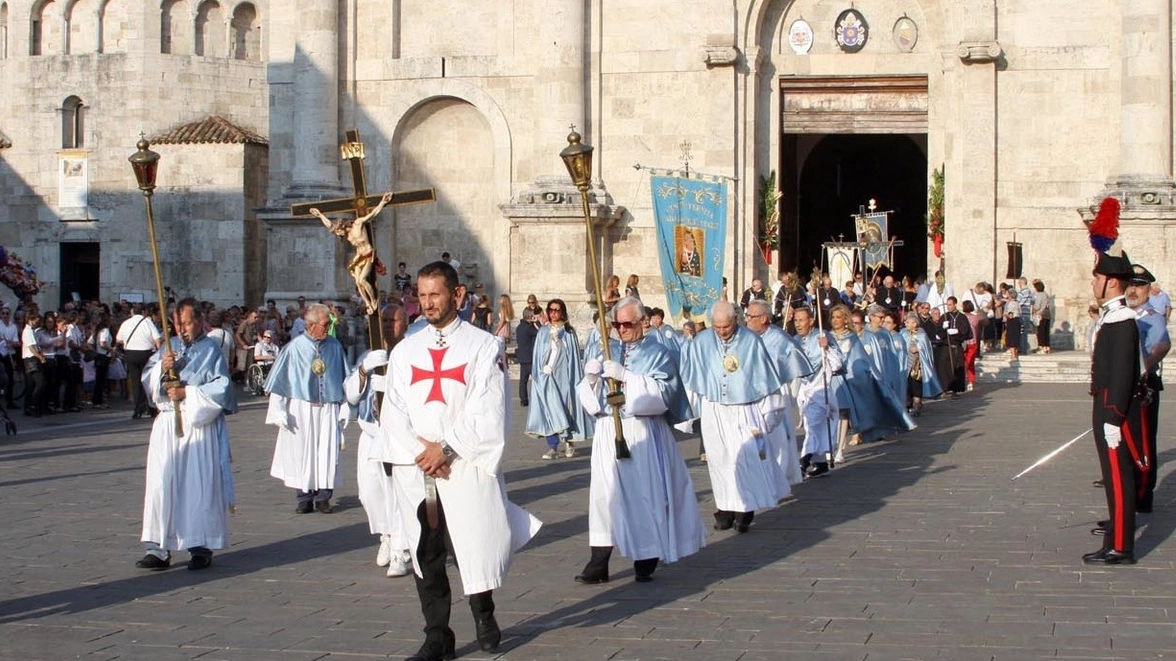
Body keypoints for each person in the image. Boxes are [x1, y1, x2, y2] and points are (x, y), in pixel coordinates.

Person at [380, 261, 541, 660]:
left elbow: (486, 408)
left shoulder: (482, 346)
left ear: (456, 295)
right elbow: (394, 409)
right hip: (416, 467)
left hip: (462, 464)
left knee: (471, 543)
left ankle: (483, 612)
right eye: (421, 295)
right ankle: (438, 634)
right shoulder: (406, 350)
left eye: (435, 294)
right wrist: (421, 451)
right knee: (425, 553)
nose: (428, 303)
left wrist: (446, 448)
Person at [574, 297, 705, 584]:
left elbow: (661, 396)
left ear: (642, 321)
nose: (622, 329)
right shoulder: (604, 349)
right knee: (603, 494)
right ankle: (599, 560)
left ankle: (646, 555)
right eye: (617, 324)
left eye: (628, 324)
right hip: (609, 429)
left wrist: (626, 377)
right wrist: (592, 380)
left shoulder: (657, 352)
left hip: (641, 429)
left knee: (641, 493)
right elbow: (589, 401)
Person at [135, 298, 236, 571]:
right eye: (177, 323)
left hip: (196, 428)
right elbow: (147, 383)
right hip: (168, 424)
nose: (181, 329)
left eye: (187, 322)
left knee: (196, 487)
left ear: (200, 321)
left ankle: (199, 545)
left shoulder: (211, 350)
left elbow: (222, 389)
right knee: (161, 484)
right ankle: (158, 547)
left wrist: (187, 393)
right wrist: (160, 368)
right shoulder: (168, 348)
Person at [681, 301, 788, 532]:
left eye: (726, 327)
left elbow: (764, 379)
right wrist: (688, 412)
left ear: (736, 321)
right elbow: (692, 378)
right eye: (717, 327)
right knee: (720, 461)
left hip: (744, 408)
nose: (721, 332)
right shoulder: (702, 342)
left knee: (746, 458)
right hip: (714, 407)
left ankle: (744, 508)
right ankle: (724, 509)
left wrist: (769, 412)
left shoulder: (750, 341)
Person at [1084, 228, 1144, 565]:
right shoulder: (1112, 317)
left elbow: (1122, 373)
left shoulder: (1122, 321)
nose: (1093, 283)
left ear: (1112, 283)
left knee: (1118, 478)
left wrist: (1113, 415)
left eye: (1098, 278)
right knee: (1111, 477)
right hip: (1105, 406)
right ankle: (1116, 538)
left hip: (1113, 410)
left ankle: (1121, 545)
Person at [345, 303, 413, 578]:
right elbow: (350, 395)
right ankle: (386, 536)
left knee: (398, 492)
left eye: (393, 320)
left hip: (400, 435)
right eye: (383, 320)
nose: (387, 325)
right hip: (371, 433)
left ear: (406, 322)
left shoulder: (412, 353)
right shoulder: (370, 354)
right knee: (370, 493)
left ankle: (401, 550)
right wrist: (363, 370)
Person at [265, 304, 350, 514]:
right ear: (311, 325)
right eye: (325, 324)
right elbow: (280, 383)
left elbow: (345, 378)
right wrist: (279, 410)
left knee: (327, 453)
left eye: (329, 323)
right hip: (301, 407)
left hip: (328, 406)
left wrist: (346, 407)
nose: (328, 327)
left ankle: (323, 497)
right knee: (302, 452)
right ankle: (304, 497)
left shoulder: (335, 347)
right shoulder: (294, 348)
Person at [745, 299, 813, 486]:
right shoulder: (746, 337)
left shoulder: (779, 339)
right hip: (751, 395)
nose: (747, 320)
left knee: (777, 440)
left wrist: (789, 398)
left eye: (752, 317)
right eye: (747, 316)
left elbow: (794, 370)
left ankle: (779, 480)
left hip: (775, 395)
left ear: (764, 318)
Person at [1123, 264, 1170, 517]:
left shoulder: (1151, 316)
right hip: (1124, 384)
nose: (1133, 290)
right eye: (1130, 284)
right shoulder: (1124, 314)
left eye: (1139, 286)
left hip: (1144, 384)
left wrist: (1141, 368)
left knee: (1143, 440)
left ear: (1149, 290)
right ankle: (1129, 488)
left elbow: (1162, 345)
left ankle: (1143, 494)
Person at [526, 298, 591, 459]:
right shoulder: (542, 332)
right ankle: (552, 446)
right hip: (547, 376)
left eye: (557, 310)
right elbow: (538, 354)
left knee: (565, 406)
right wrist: (540, 372)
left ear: (562, 312)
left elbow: (573, 356)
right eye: (551, 310)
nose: (554, 313)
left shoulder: (568, 332)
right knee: (550, 409)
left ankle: (569, 442)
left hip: (564, 376)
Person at [789, 306, 845, 478]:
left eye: (801, 320)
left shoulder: (822, 336)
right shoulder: (794, 340)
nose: (798, 324)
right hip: (804, 390)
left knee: (814, 425)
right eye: (796, 320)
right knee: (812, 426)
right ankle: (820, 463)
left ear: (811, 321)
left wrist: (827, 348)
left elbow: (838, 364)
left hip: (820, 388)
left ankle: (803, 461)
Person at [116, 303, 162, 419]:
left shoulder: (126, 323)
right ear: (143, 312)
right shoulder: (147, 322)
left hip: (130, 353)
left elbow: (119, 340)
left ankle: (137, 409)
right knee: (147, 380)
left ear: (132, 312)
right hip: (146, 353)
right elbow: (157, 340)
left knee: (135, 381)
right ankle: (150, 407)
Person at [900, 312, 941, 416]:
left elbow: (926, 348)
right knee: (907, 385)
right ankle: (907, 404)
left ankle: (917, 405)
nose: (906, 324)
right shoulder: (903, 334)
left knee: (916, 386)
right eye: (906, 322)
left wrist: (918, 349)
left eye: (908, 322)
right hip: (905, 365)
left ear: (915, 323)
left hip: (917, 366)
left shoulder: (922, 336)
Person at [938, 297, 972, 397]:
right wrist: (943, 328)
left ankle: (955, 390)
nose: (948, 307)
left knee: (956, 368)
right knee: (944, 368)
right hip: (946, 346)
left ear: (955, 304)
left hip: (956, 346)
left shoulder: (961, 317)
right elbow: (938, 334)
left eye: (950, 304)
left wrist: (957, 332)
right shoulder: (944, 316)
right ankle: (944, 389)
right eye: (947, 305)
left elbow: (966, 332)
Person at [515, 308, 539, 407]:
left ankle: (523, 399)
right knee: (537, 380)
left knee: (523, 381)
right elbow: (540, 333)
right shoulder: (529, 328)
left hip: (522, 357)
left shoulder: (519, 327)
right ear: (530, 316)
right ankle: (538, 398)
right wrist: (537, 322)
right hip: (530, 357)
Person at [0, 307, 18, 410]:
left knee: (11, 378)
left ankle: (9, 401)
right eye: (3, 313)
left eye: (7, 313)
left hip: (10, 354)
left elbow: (15, 341)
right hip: (0, 353)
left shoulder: (13, 327)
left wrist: (11, 343)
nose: (5, 315)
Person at [1031, 279, 1052, 353]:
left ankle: (1042, 347)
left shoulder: (1039, 295)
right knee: (1046, 331)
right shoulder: (1046, 294)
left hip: (1041, 314)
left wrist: (1033, 307)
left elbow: (1037, 306)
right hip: (1047, 314)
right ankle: (1047, 347)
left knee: (1041, 331)